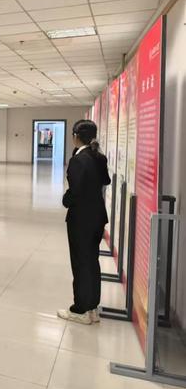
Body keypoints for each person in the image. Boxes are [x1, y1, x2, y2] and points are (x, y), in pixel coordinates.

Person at [58, 119, 111, 325]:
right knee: (91, 262)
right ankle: (92, 308)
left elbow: (75, 191)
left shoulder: (79, 160)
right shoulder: (99, 157)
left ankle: (80, 308)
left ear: (75, 137)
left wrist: (66, 199)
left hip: (81, 219)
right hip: (97, 217)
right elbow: (105, 180)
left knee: (80, 263)